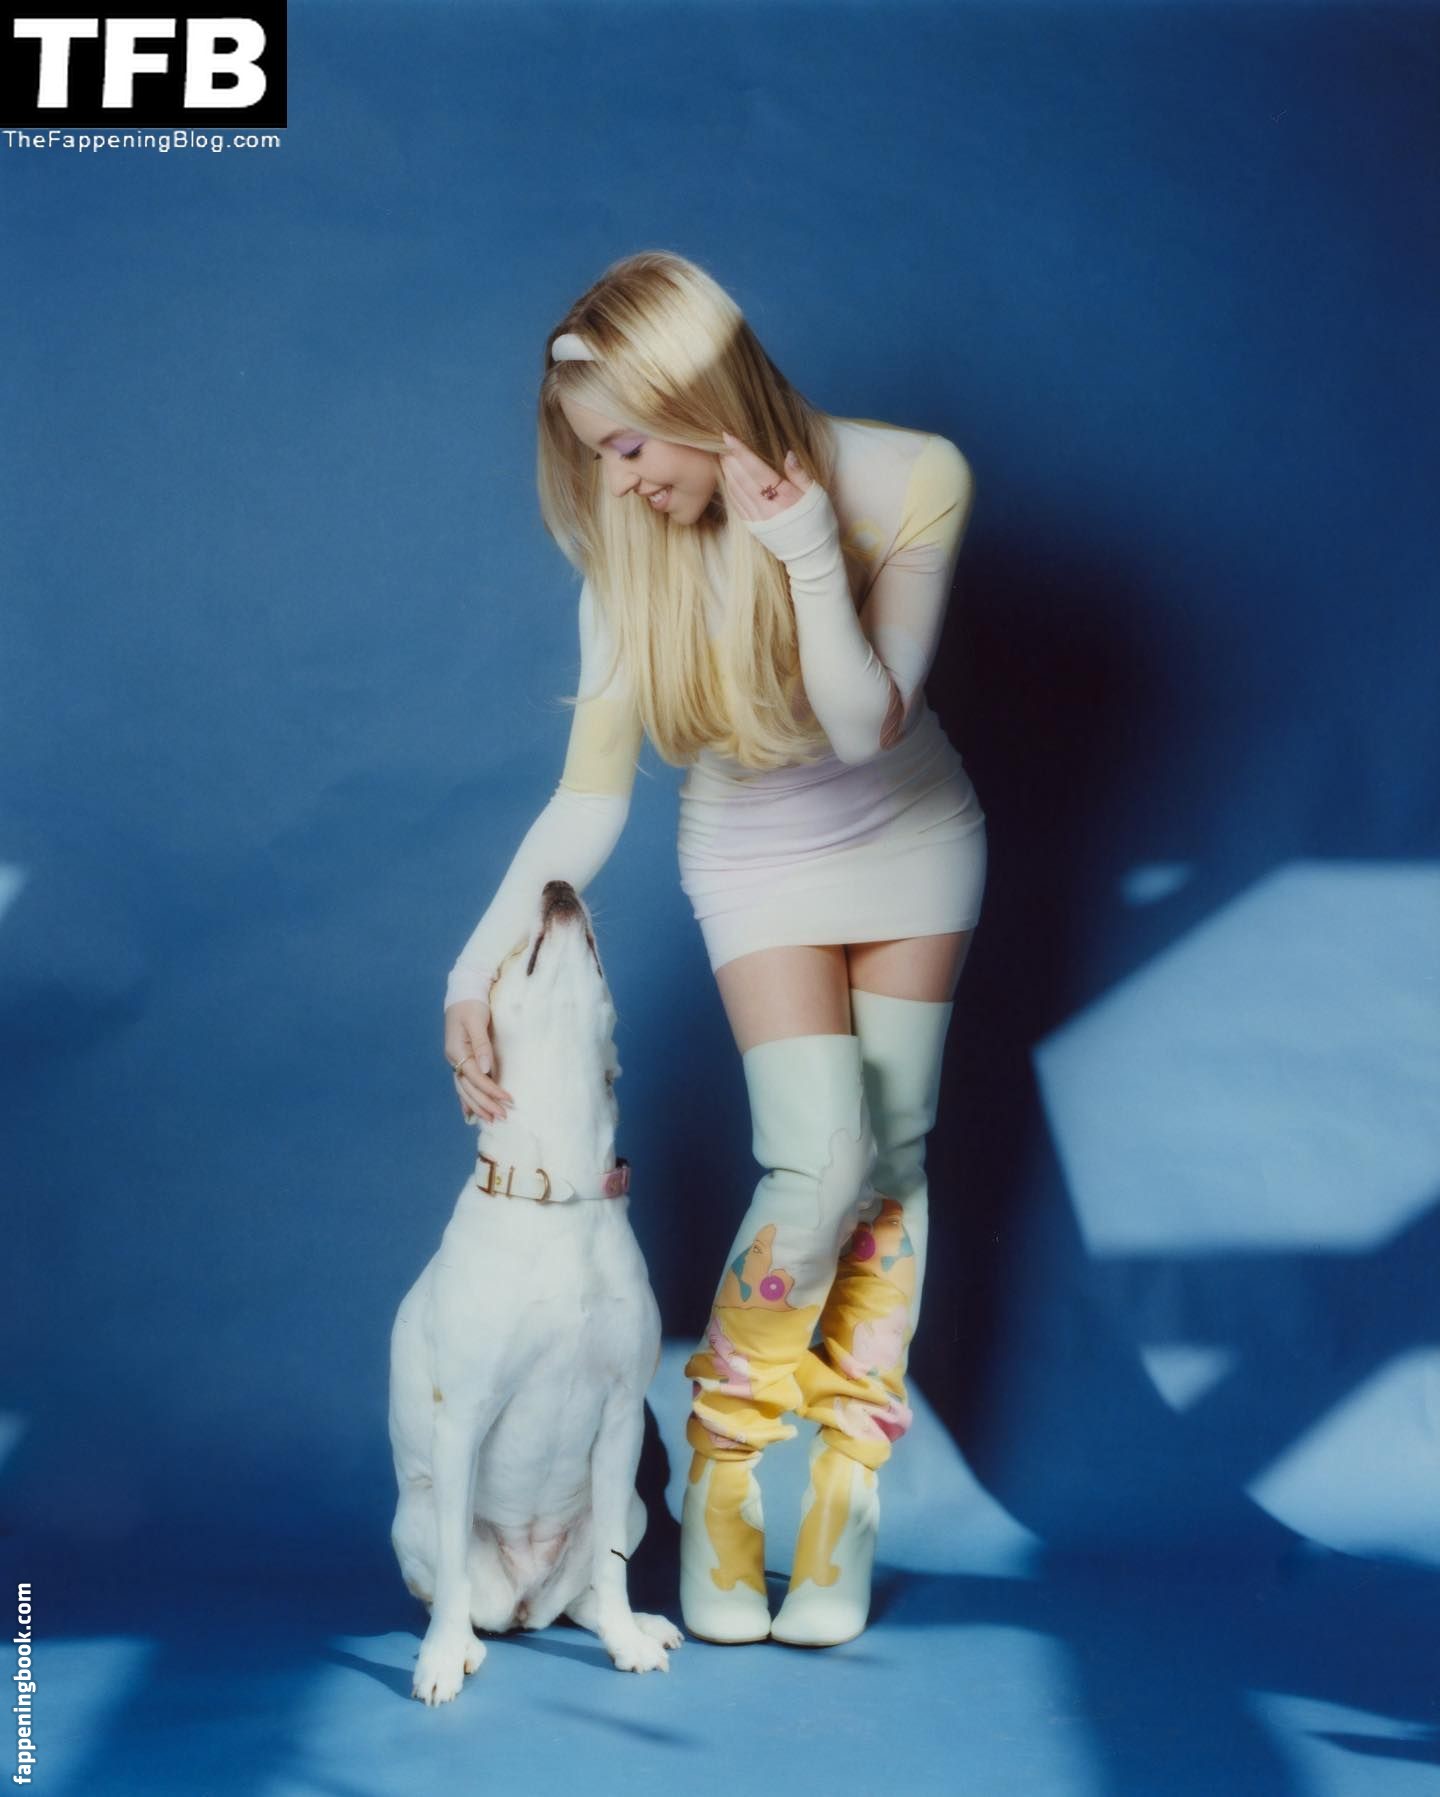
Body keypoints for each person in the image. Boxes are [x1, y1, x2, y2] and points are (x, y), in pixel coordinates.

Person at [442, 250, 986, 1648]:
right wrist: (474, 965)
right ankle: (728, 1474)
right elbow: (588, 801)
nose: (618, 481)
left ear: (703, 396)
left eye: (629, 444)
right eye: (595, 454)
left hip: (916, 839)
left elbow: (865, 724)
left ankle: (845, 1500)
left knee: (893, 1162)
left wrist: (802, 550)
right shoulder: (624, 565)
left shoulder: (912, 476)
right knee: (820, 1158)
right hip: (755, 855)